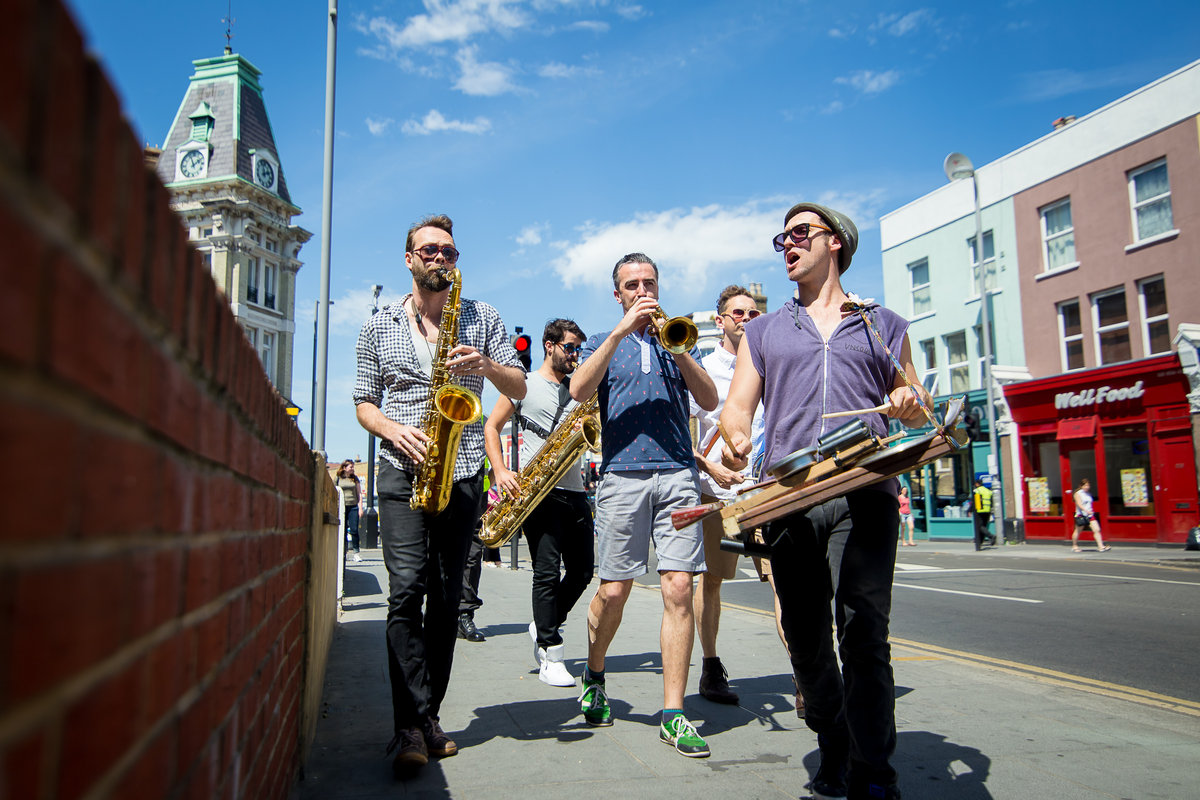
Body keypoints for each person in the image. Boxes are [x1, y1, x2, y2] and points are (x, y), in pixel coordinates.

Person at [721, 202, 932, 800]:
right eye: (781, 238)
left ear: (835, 242)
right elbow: (739, 405)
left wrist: (910, 404)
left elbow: (911, 392)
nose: (787, 245)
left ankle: (874, 772)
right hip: (788, 497)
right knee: (808, 639)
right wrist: (737, 437)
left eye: (800, 234)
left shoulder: (880, 323)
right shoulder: (763, 331)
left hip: (864, 490)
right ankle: (832, 739)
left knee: (864, 631)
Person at [353, 214, 527, 777]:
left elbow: (520, 385)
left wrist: (488, 365)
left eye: (449, 251)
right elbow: (363, 400)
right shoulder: (378, 325)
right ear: (409, 259)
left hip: (466, 469)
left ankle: (427, 717)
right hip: (403, 470)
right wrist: (391, 430)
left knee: (448, 597)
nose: (440, 258)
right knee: (407, 590)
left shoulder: (484, 318)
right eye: (429, 250)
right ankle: (410, 722)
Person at [569, 253, 718, 757]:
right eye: (631, 285)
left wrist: (677, 350)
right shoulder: (599, 343)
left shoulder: (679, 336)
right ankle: (594, 673)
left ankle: (673, 713)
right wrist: (618, 334)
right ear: (618, 294)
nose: (642, 291)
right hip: (621, 478)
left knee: (678, 587)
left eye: (649, 282)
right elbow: (578, 388)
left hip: (677, 474)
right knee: (614, 591)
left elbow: (711, 398)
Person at [484, 318, 596, 688]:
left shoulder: (579, 388)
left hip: (575, 490)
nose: (575, 355)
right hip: (538, 493)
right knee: (546, 571)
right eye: (570, 347)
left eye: (578, 348)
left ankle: (544, 621)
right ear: (549, 345)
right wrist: (500, 471)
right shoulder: (524, 384)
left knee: (582, 570)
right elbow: (491, 426)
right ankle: (551, 650)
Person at [689, 285, 764, 705]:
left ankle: (804, 678)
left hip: (765, 488)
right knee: (712, 581)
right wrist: (708, 465)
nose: (746, 319)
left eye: (753, 313)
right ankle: (711, 666)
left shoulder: (770, 363)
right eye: (738, 313)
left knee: (783, 583)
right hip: (718, 493)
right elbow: (683, 437)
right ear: (720, 321)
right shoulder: (703, 368)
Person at [457, 459, 494, 644]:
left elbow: (496, 462)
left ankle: (465, 615)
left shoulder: (483, 428)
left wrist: (485, 485)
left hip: (478, 491)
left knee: (473, 555)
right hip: (448, 485)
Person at [1071, 478, 1111, 553]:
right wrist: (1086, 510)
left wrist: (1090, 511)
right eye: (1085, 485)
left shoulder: (1088, 494)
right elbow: (1079, 504)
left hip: (1090, 515)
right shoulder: (1078, 493)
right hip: (1081, 515)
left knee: (1097, 529)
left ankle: (1101, 546)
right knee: (1078, 531)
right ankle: (1074, 545)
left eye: (1088, 485)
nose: (1087, 487)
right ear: (1081, 486)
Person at [337, 460, 365, 562]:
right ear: (344, 468)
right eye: (350, 467)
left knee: (354, 530)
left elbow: (359, 494)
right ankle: (343, 552)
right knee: (342, 530)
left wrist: (360, 508)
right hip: (342, 507)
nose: (352, 469)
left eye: (353, 467)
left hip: (353, 507)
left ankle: (356, 553)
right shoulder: (338, 478)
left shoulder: (355, 479)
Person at [972, 479, 995, 551]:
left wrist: (970, 510)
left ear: (976, 484)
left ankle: (991, 536)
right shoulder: (988, 491)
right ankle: (980, 542)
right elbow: (991, 501)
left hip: (980, 511)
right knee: (983, 527)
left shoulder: (977, 491)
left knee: (979, 526)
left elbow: (975, 502)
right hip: (987, 511)